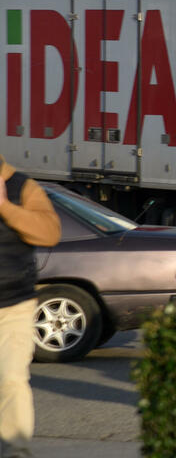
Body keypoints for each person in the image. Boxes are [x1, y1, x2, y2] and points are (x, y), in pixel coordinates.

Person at [0, 155, 61, 458]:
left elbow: (50, 232)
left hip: (12, 308)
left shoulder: (22, 187)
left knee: (11, 379)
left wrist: (5, 208)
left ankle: (16, 452)